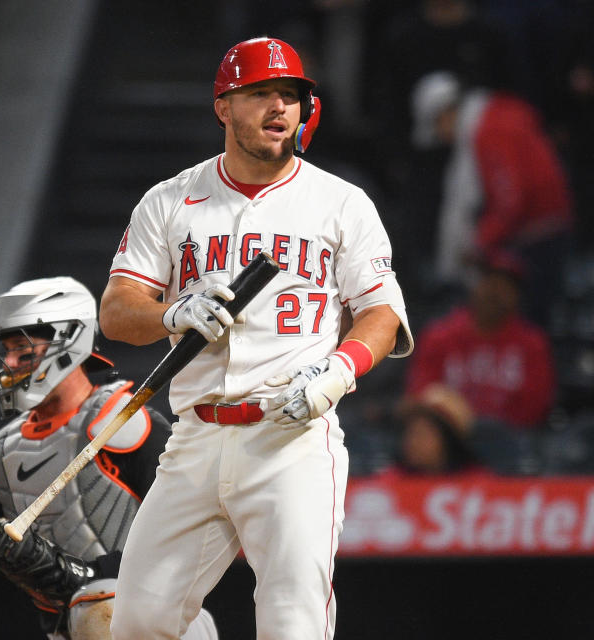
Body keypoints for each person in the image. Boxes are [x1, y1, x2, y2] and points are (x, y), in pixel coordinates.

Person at [98, 37, 414, 640]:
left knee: (293, 625)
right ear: (223, 106)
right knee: (137, 623)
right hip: (193, 439)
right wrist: (170, 311)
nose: (280, 108)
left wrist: (340, 370)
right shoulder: (169, 200)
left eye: (292, 96)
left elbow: (382, 314)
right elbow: (116, 311)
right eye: (262, 93)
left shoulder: (340, 202)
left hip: (288, 437)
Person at [0, 277, 218, 640]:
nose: (10, 362)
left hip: (162, 621)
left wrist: (81, 574)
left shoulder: (126, 425)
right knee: (90, 611)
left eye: (24, 351)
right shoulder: (1, 455)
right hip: (74, 630)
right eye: (7, 352)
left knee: (98, 600)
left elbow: (191, 531)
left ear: (70, 343)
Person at [409, 69, 574, 329]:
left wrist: (478, 245)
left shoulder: (490, 130)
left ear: (445, 114)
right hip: (546, 230)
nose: (442, 138)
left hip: (537, 240)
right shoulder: (500, 113)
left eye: (437, 128)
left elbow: (510, 202)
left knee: (530, 324)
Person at [404, 251, 556, 430]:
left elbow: (536, 406)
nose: (496, 292)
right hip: (448, 441)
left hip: (510, 443)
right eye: (490, 282)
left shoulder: (532, 344)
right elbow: (422, 395)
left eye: (506, 286)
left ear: (517, 296)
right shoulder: (440, 336)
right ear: (476, 286)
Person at [383, 383, 483, 476]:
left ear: (449, 440)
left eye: (422, 434)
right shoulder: (385, 486)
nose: (412, 442)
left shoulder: (481, 487)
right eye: (410, 433)